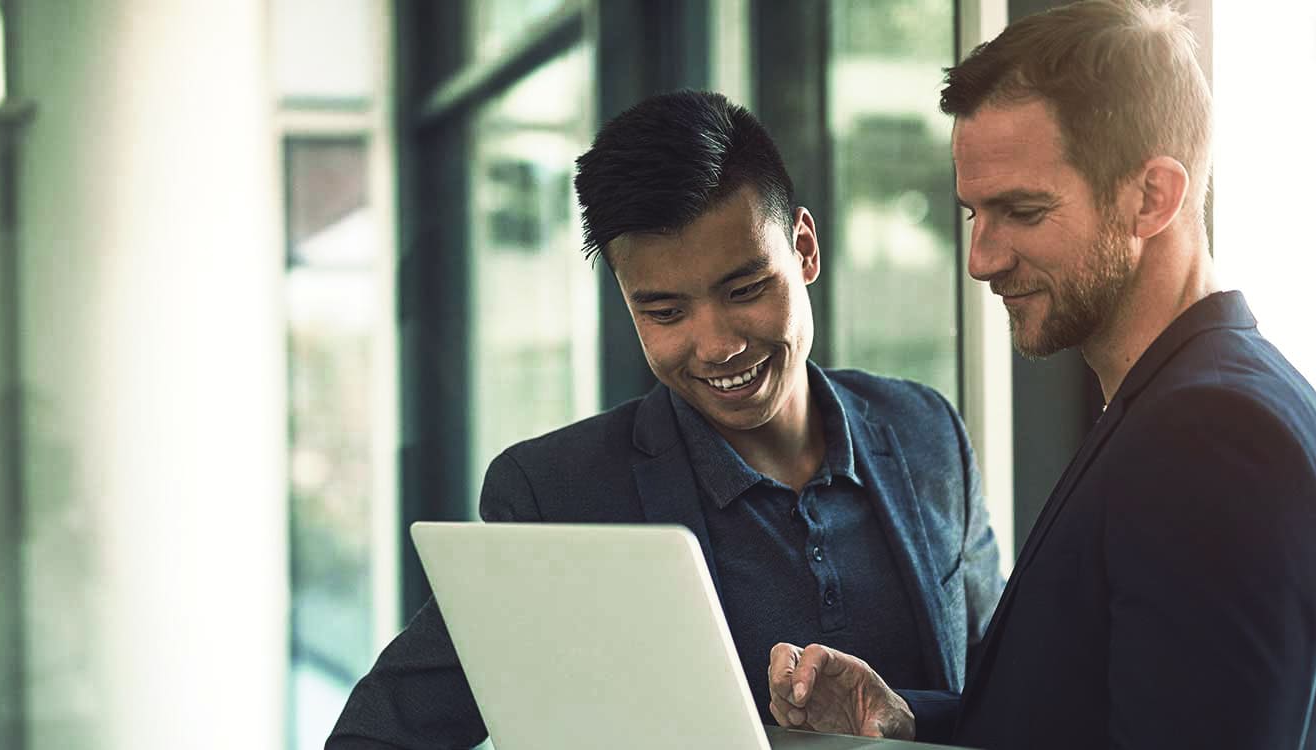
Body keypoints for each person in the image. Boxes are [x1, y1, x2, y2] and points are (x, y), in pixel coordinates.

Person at [327, 90, 1005, 749]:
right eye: (665, 312)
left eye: (744, 289)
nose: (716, 346)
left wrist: (904, 717)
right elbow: (376, 736)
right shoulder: (559, 496)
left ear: (803, 248)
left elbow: (1011, 699)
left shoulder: (926, 432)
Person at [766, 2, 1316, 748]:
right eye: (974, 214)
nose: (982, 258)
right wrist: (908, 722)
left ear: (1154, 197)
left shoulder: (1215, 437)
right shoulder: (1181, 404)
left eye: (1022, 210)